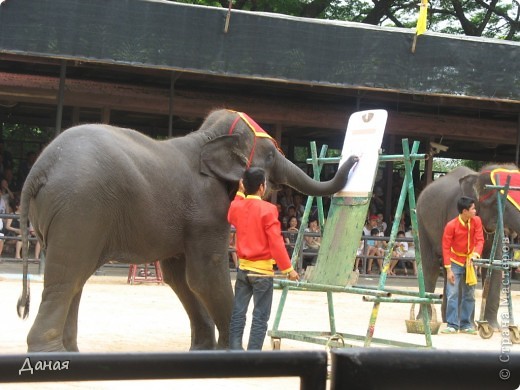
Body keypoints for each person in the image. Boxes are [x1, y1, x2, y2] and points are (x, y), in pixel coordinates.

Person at [228, 168, 299, 350]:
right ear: (262, 187)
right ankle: (253, 356)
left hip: (243, 269)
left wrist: (239, 193)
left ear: (244, 185)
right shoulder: (269, 209)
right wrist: (288, 269)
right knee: (260, 316)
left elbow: (232, 214)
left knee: (238, 312)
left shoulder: (237, 206)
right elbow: (275, 242)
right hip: (262, 272)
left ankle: (234, 350)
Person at [441, 196, 484, 335]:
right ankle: (452, 324)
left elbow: (480, 240)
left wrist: (475, 255)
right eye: (473, 209)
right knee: (452, 293)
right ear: (465, 211)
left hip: (470, 261)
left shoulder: (476, 221)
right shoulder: (451, 225)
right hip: (455, 261)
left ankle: (465, 324)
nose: (475, 211)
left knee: (470, 293)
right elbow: (446, 247)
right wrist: (448, 269)